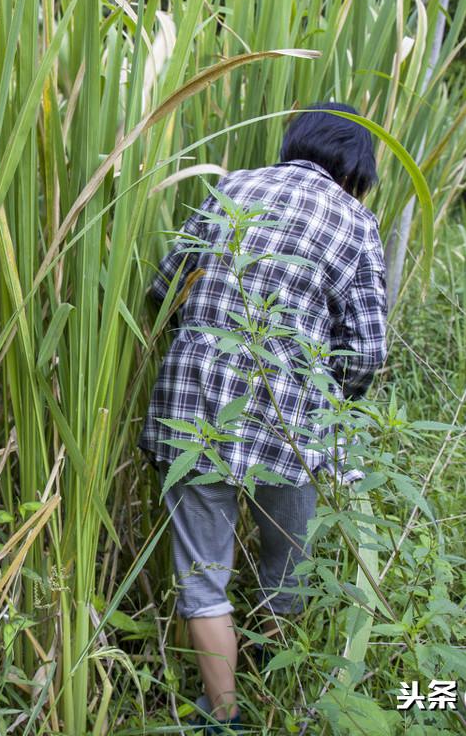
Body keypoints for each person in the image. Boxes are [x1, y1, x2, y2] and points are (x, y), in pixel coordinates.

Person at [138, 102, 389, 730]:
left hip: (193, 411)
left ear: (295, 141)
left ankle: (223, 716)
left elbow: (163, 288)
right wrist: (335, 402)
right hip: (294, 422)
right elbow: (367, 353)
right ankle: (273, 694)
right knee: (288, 570)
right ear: (358, 164)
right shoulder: (355, 222)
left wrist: (200, 345)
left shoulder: (233, 188)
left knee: (203, 577)